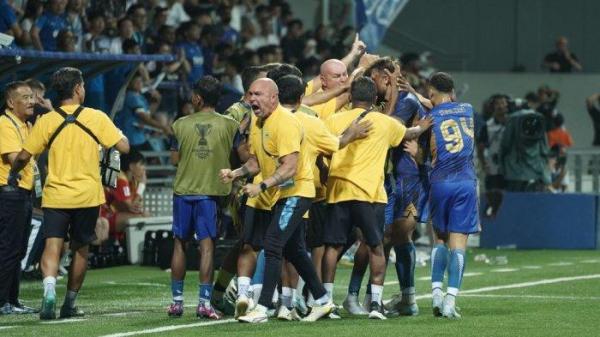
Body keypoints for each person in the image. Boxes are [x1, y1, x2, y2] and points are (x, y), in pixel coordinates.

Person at [8, 67, 130, 320]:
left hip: (56, 195)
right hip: (87, 195)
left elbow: (23, 156)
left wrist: (14, 172)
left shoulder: (46, 121)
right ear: (77, 89)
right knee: (81, 249)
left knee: (53, 245)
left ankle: (49, 290)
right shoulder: (97, 117)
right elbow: (123, 147)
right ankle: (69, 303)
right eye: (83, 86)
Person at [219, 78, 335, 323]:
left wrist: (260, 185)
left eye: (258, 94)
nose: (252, 99)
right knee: (294, 250)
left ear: (274, 97)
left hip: (297, 192)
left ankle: (261, 309)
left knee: (272, 244)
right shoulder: (258, 122)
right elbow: (256, 162)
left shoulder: (286, 122)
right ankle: (323, 301)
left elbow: (290, 167)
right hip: (281, 193)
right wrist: (236, 174)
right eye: (250, 94)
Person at [321, 76, 430, 320]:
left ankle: (326, 302)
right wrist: (423, 125)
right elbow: (408, 133)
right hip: (370, 193)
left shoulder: (333, 120)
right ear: (373, 100)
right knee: (376, 246)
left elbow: (322, 149)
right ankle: (376, 305)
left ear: (350, 97)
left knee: (333, 246)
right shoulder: (383, 122)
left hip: (338, 190)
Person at [167, 76, 239, 319]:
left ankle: (176, 303)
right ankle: (204, 304)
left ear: (198, 98)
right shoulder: (230, 125)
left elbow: (174, 160)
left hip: (183, 192)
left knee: (180, 243)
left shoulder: (179, 124)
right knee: (207, 247)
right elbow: (241, 154)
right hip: (211, 194)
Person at [426, 72, 478, 319]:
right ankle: (450, 301)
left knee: (439, 240)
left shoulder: (429, 116)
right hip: (465, 183)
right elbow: (444, 105)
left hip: (440, 183)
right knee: (459, 246)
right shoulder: (467, 109)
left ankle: (435, 294)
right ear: (453, 93)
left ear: (431, 94)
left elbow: (422, 150)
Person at [0, 81, 38, 315]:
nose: (32, 101)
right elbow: (17, 159)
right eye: (25, 97)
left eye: (32, 96)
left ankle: (12, 300)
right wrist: (38, 137)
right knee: (8, 249)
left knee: (18, 250)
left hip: (22, 193)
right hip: (9, 193)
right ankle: (3, 300)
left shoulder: (24, 125)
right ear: (11, 102)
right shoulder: (5, 124)